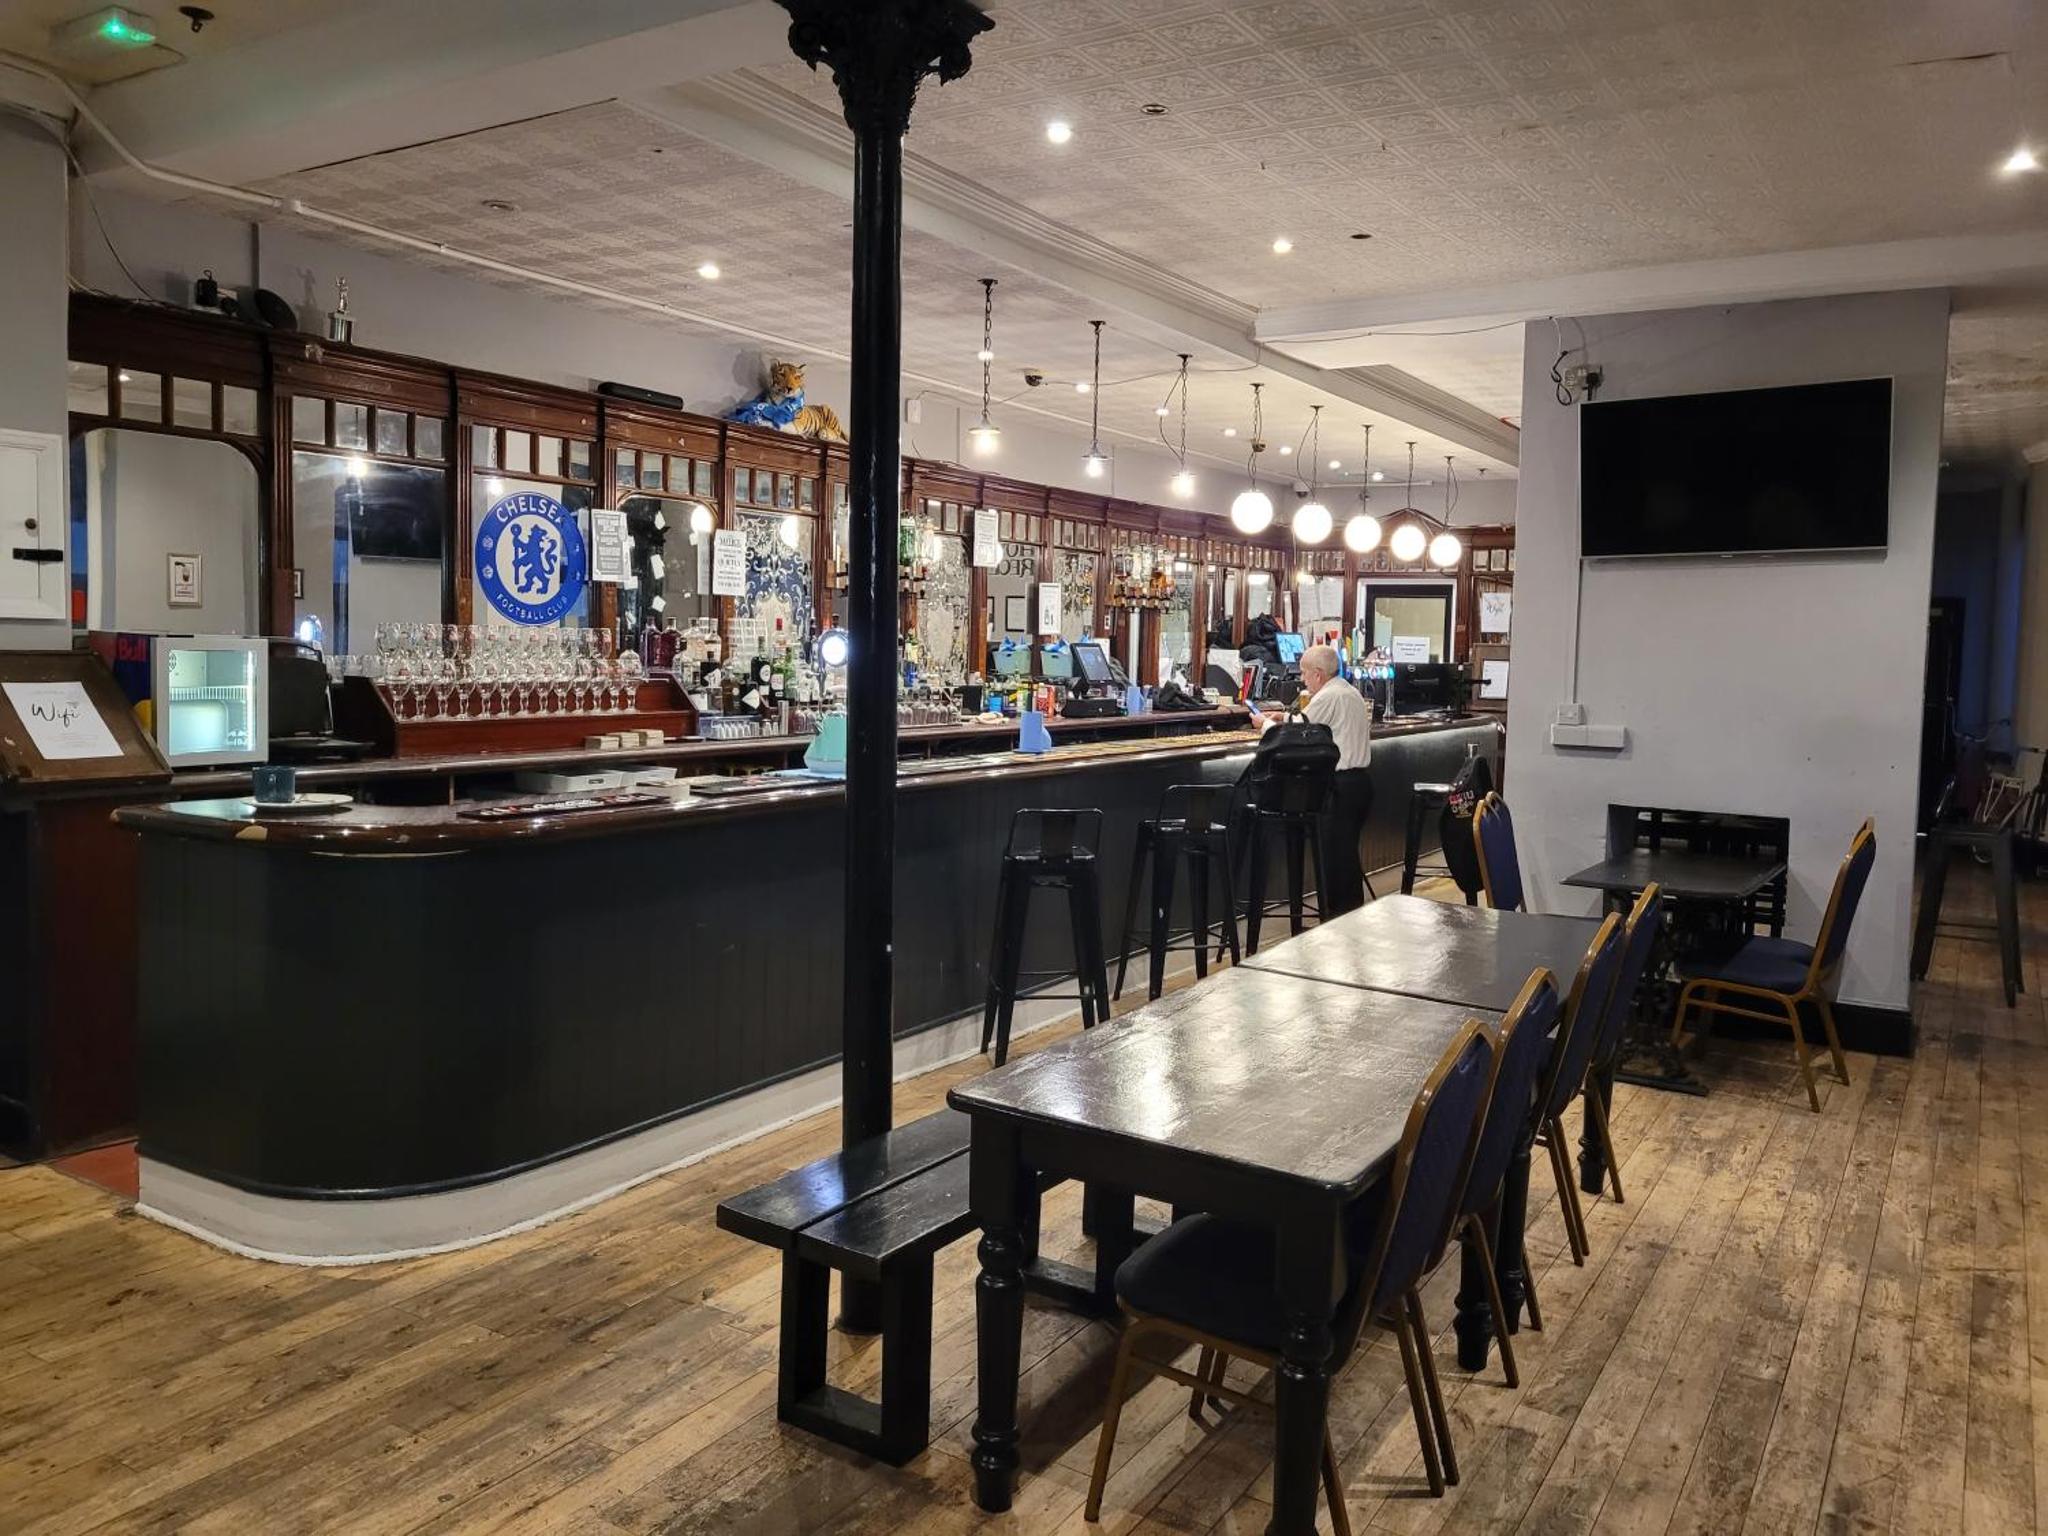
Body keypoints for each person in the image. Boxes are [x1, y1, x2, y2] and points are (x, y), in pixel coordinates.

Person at [1256, 642, 1373, 914]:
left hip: (1340, 786)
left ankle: (1338, 918)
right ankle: (1350, 915)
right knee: (1345, 854)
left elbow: (1298, 734)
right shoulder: (1348, 691)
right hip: (1360, 784)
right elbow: (1312, 722)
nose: (1302, 679)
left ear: (1318, 674)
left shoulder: (1329, 695)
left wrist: (1265, 724)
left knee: (1336, 857)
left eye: (1304, 673)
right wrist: (1284, 715)